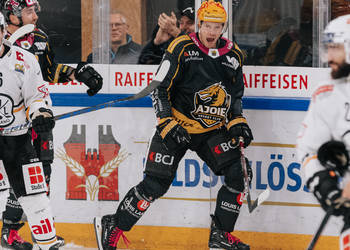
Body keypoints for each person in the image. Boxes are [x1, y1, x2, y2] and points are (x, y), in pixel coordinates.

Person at [94, 1, 253, 249]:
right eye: (207, 26)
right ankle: (114, 225)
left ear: (224, 27)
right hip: (176, 127)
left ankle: (220, 235)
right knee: (155, 185)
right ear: (199, 25)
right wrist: (167, 122)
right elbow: (159, 90)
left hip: (210, 131)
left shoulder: (234, 55)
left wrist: (237, 122)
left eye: (218, 26)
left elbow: (235, 97)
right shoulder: (181, 47)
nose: (212, 32)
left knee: (239, 173)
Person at [0, 0, 103, 249]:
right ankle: (10, 229)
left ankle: (34, 230)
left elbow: (46, 72)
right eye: (28, 11)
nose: (34, 16)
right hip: (12, 122)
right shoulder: (9, 40)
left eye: (36, 10)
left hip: (32, 120)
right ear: (10, 17)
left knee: (40, 173)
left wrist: (76, 74)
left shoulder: (39, 39)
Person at [0, 11, 62, 250]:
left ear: (4, 31)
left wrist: (40, 114)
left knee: (36, 199)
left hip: (18, 140)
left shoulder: (25, 60)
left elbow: (37, 97)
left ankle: (48, 245)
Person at [296, 14, 350, 249]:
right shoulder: (327, 93)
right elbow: (308, 149)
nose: (329, 57)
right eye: (327, 48)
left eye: (335, 48)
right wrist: (325, 187)